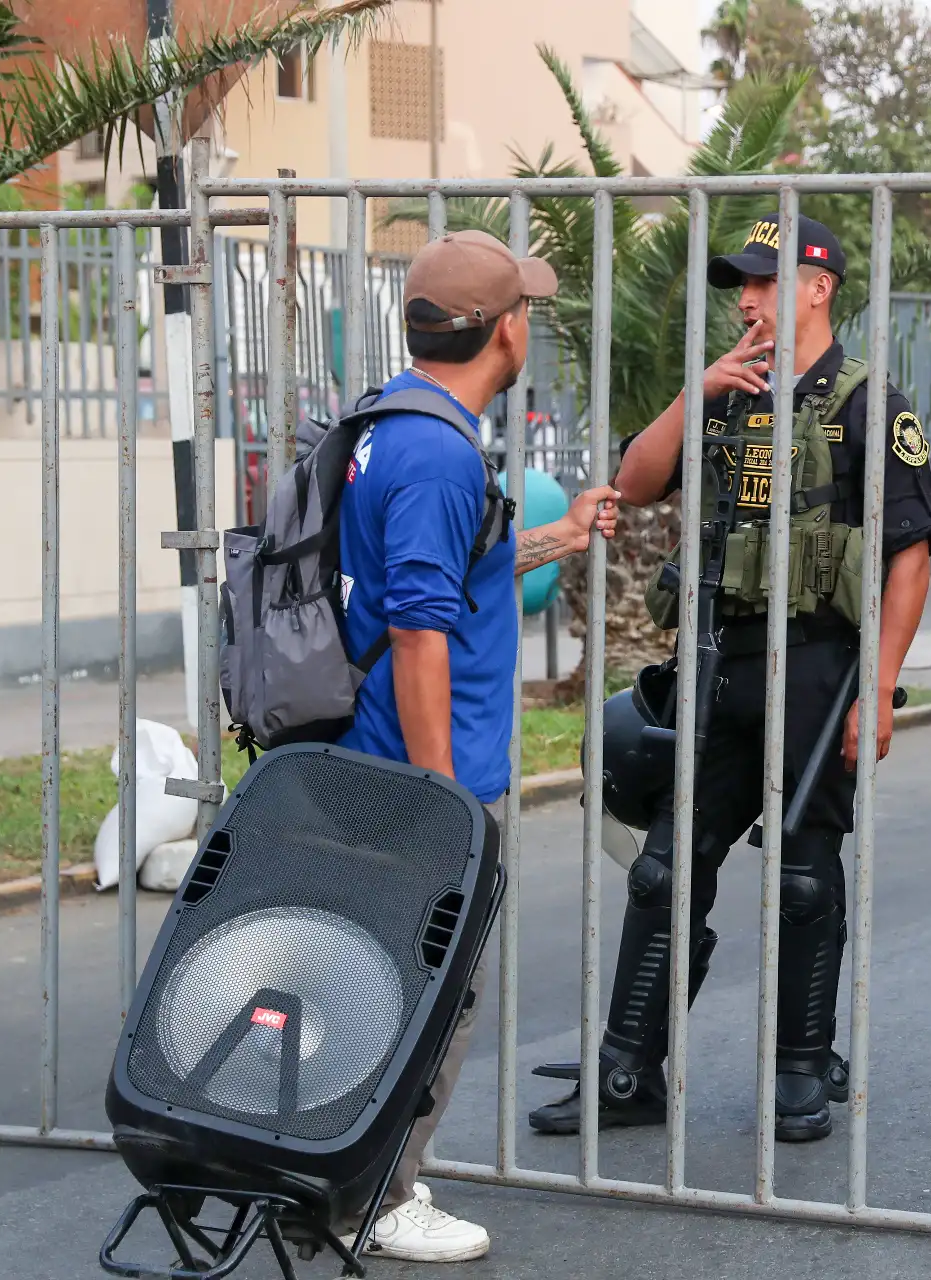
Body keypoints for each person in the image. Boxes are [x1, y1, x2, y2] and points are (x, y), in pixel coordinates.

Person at [528, 215, 931, 1142]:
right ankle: (627, 1075)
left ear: (819, 288)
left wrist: (877, 690)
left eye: (765, 282)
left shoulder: (871, 404)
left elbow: (909, 555)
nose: (747, 300)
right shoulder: (725, 395)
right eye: (742, 285)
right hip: (720, 661)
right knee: (665, 869)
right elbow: (636, 483)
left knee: (803, 875)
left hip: (821, 666)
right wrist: (696, 390)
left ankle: (800, 1070)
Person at [336, 229, 620, 1261]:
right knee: (431, 991)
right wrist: (443, 803)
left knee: (377, 981)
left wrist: (562, 534)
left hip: (367, 760)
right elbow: (419, 631)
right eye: (525, 307)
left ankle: (336, 1171)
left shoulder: (392, 420)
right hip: (421, 776)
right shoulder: (440, 454)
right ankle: (374, 1196)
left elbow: (454, 574)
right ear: (504, 330)